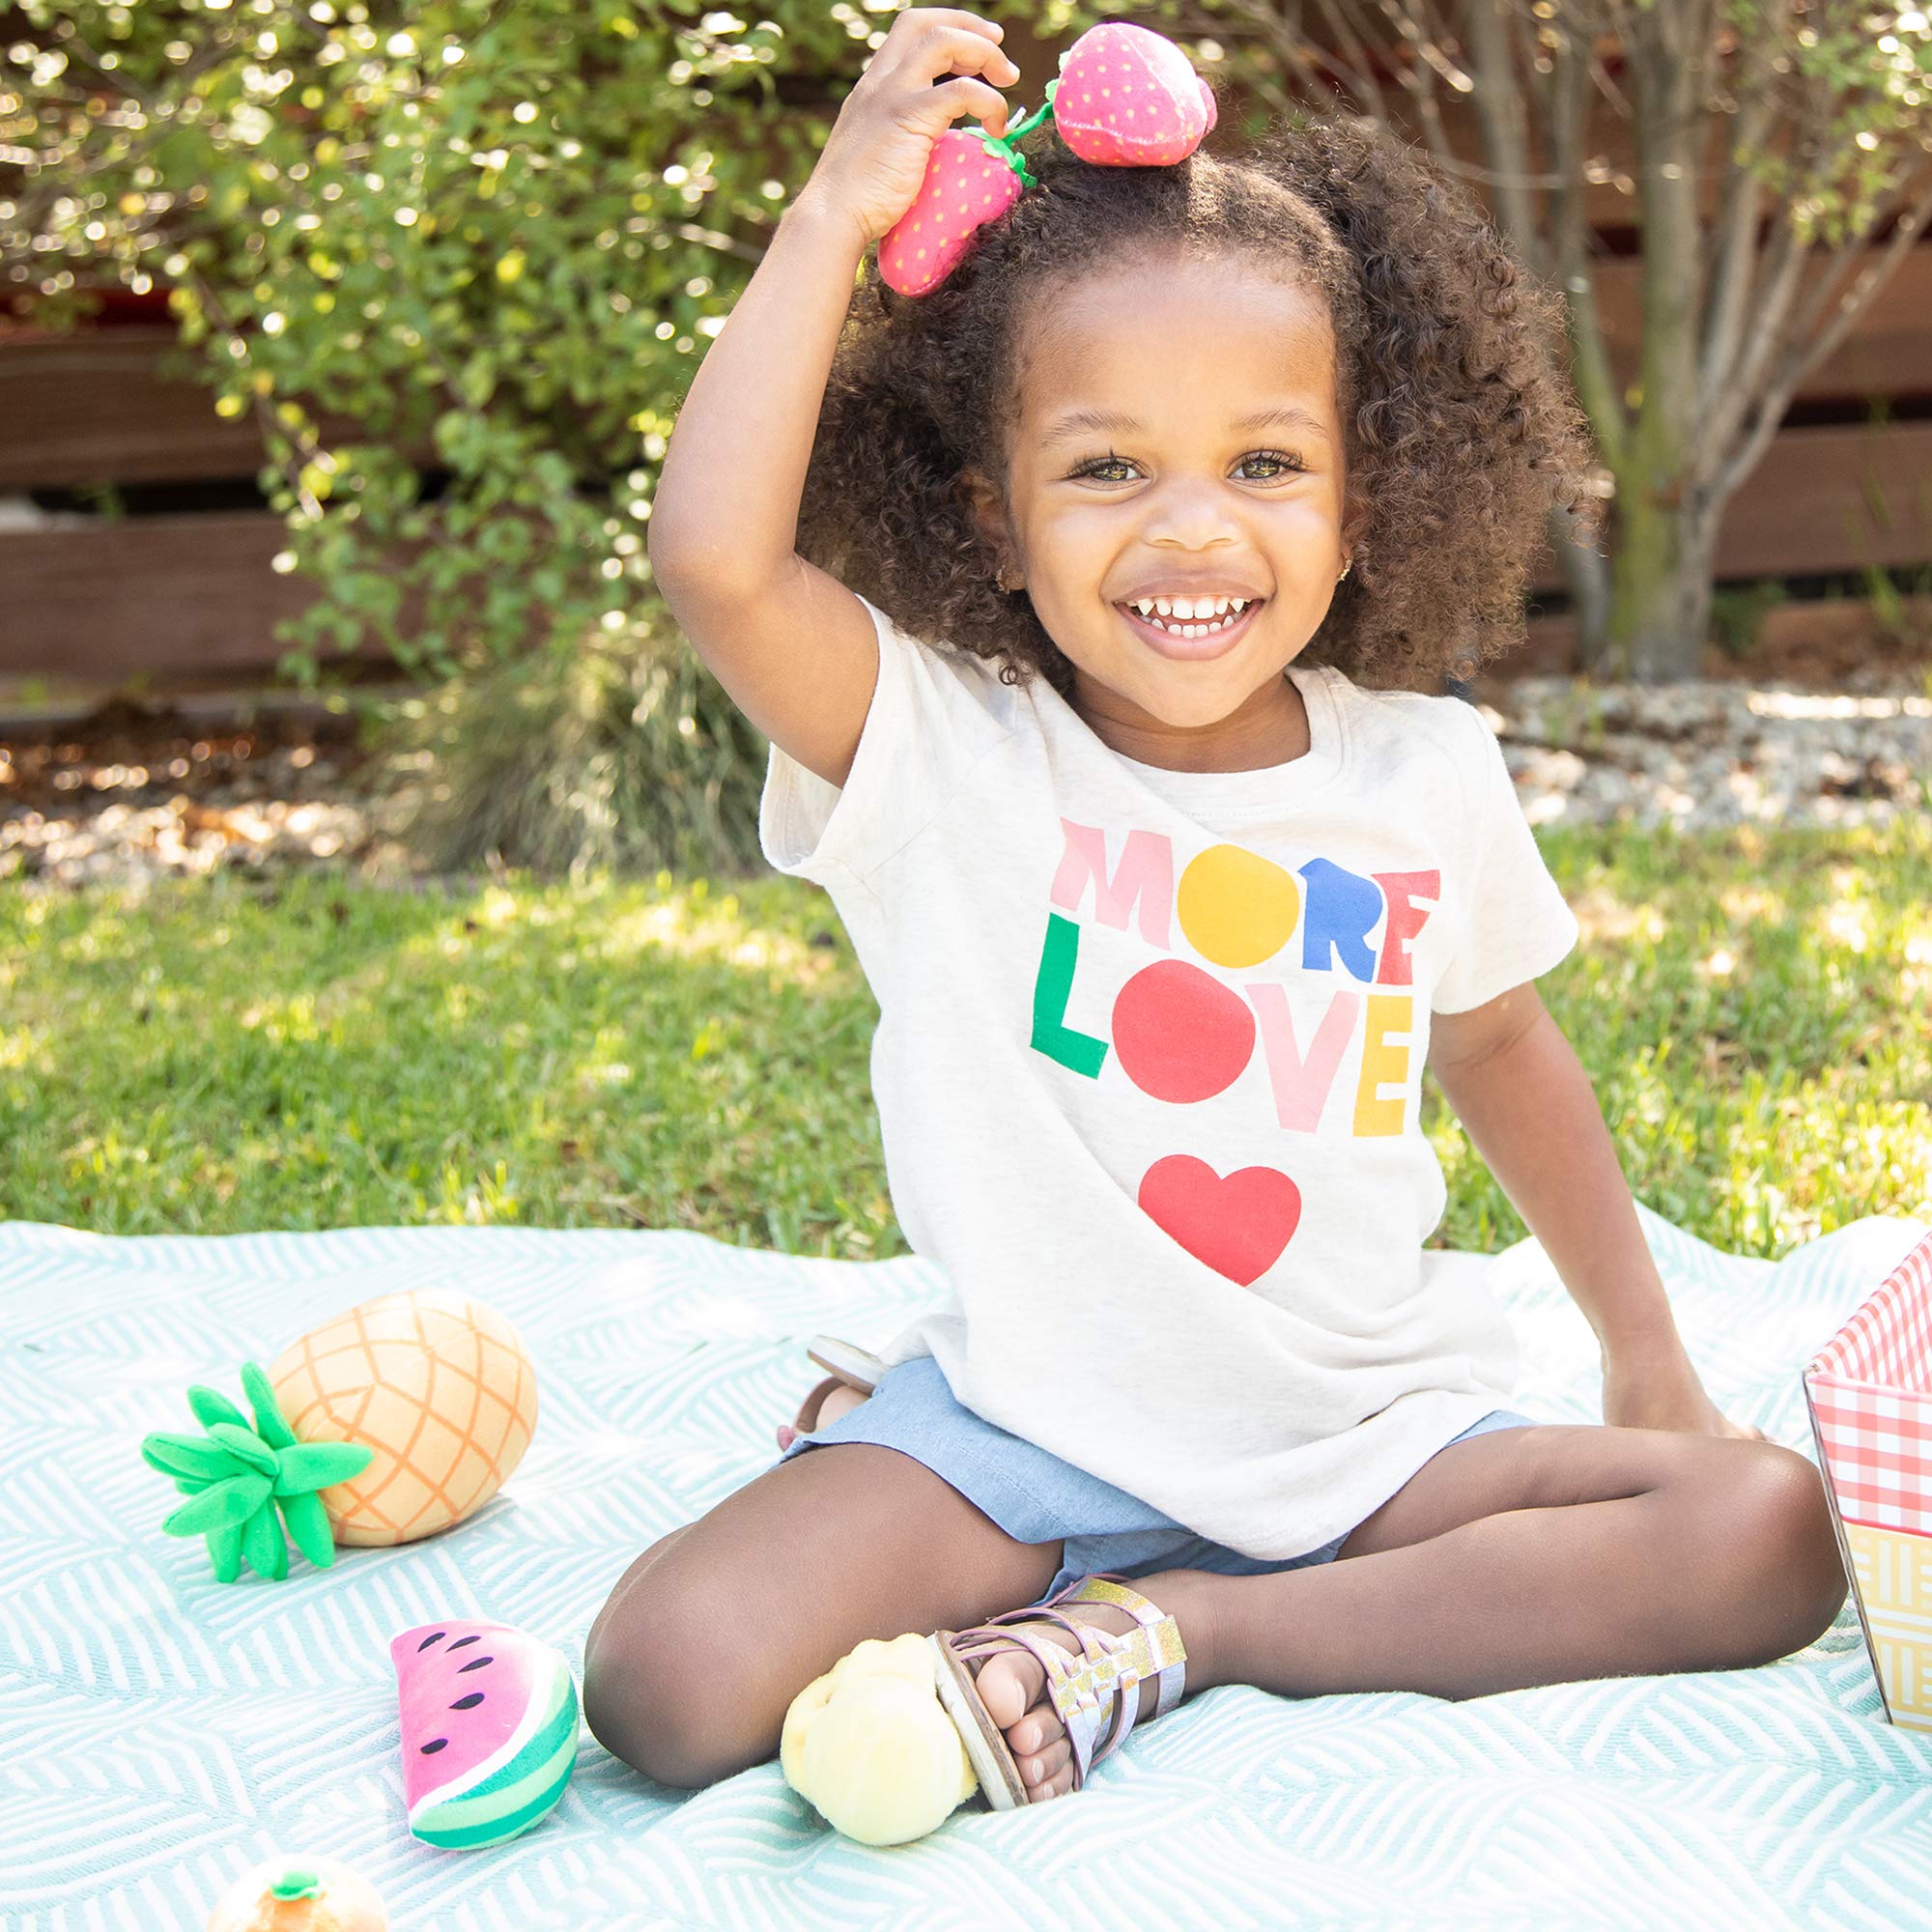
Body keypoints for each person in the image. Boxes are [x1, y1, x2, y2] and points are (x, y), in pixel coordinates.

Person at [583, 8, 1849, 1807]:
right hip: (1022, 1442)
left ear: (1362, 507)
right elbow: (716, 558)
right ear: (994, 516)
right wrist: (825, 220)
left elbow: (1502, 1046)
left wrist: (1648, 1366)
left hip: (1369, 1442)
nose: (1193, 531)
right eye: (1108, 467)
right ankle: (1058, 1563)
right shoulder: (938, 754)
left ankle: (1183, 1631)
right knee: (664, 1684)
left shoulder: (1423, 776)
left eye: (1266, 465)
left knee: (1765, 1533)